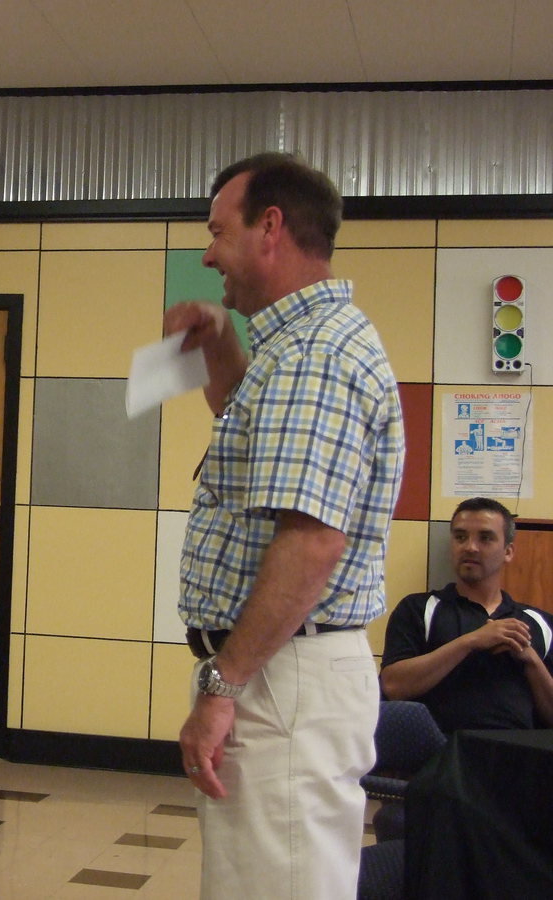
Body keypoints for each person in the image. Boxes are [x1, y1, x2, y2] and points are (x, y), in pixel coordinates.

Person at [165, 152, 405, 900]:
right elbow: (261, 453)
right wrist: (219, 346)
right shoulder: (287, 345)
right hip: (283, 672)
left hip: (281, 677)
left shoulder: (314, 356)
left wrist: (222, 683)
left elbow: (311, 542)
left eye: (216, 231)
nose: (206, 255)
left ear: (270, 227)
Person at [381, 497, 553, 731]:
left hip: (520, 756)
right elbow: (393, 687)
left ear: (508, 551)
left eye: (485, 538)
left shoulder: (539, 623)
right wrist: (471, 641)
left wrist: (531, 661)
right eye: (460, 537)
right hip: (444, 756)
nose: (470, 547)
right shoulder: (419, 609)